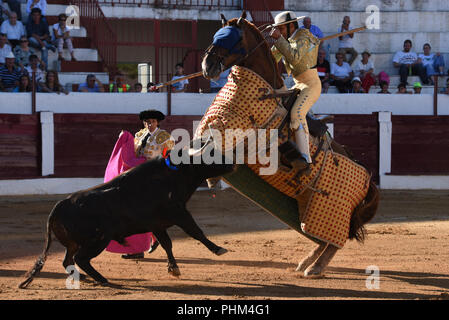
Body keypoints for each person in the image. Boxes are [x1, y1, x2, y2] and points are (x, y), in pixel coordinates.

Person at [105, 109, 175, 259]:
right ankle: (149, 241)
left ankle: (141, 246)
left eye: (153, 122)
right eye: (147, 122)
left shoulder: (164, 137)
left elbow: (168, 158)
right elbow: (132, 155)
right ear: (144, 123)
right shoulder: (139, 135)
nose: (150, 124)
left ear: (157, 122)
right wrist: (124, 139)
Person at [270, 11, 321, 170]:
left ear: (291, 26)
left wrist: (279, 39)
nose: (280, 32)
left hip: (311, 85)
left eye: (282, 29)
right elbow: (271, 59)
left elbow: (294, 57)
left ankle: (306, 159)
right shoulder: (286, 40)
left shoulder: (304, 36)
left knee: (297, 114)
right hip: (297, 85)